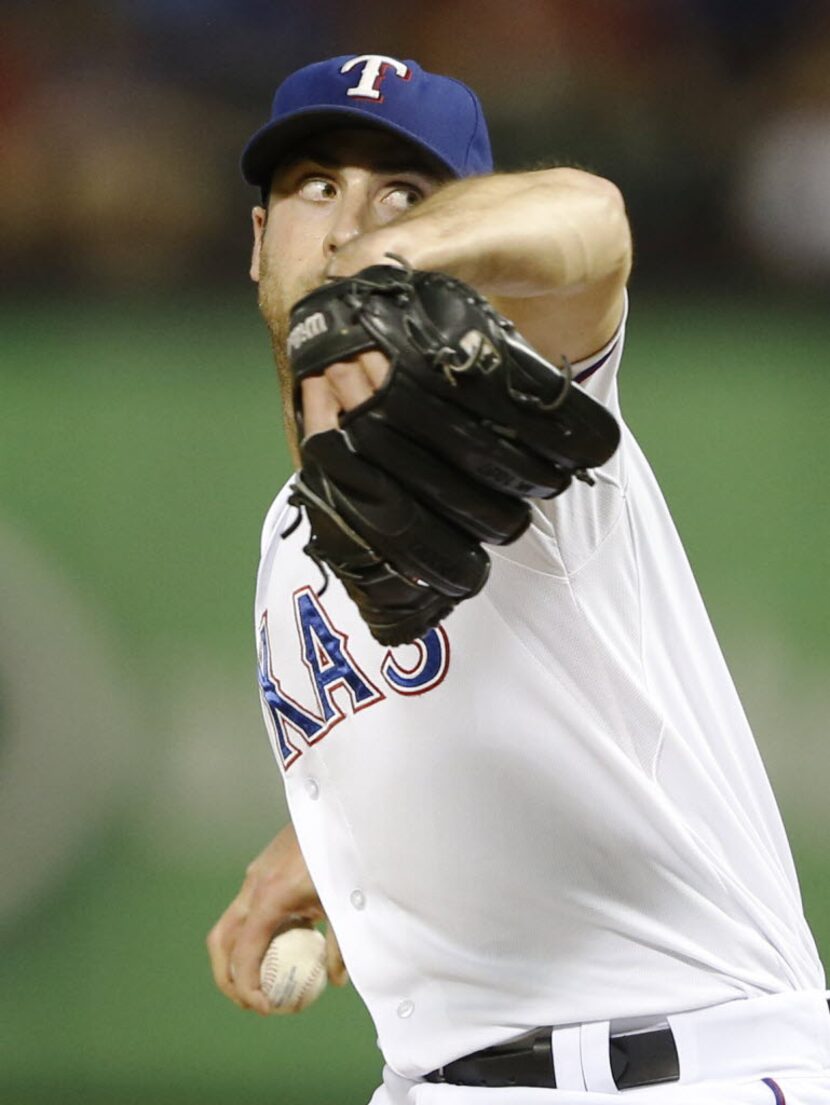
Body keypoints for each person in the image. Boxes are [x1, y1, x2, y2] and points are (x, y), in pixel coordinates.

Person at [206, 53, 830, 1104]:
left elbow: (589, 221)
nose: (351, 220)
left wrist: (387, 261)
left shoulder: (518, 410)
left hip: (683, 1065)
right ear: (259, 240)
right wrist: (324, 839)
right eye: (316, 186)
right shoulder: (286, 530)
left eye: (404, 191)